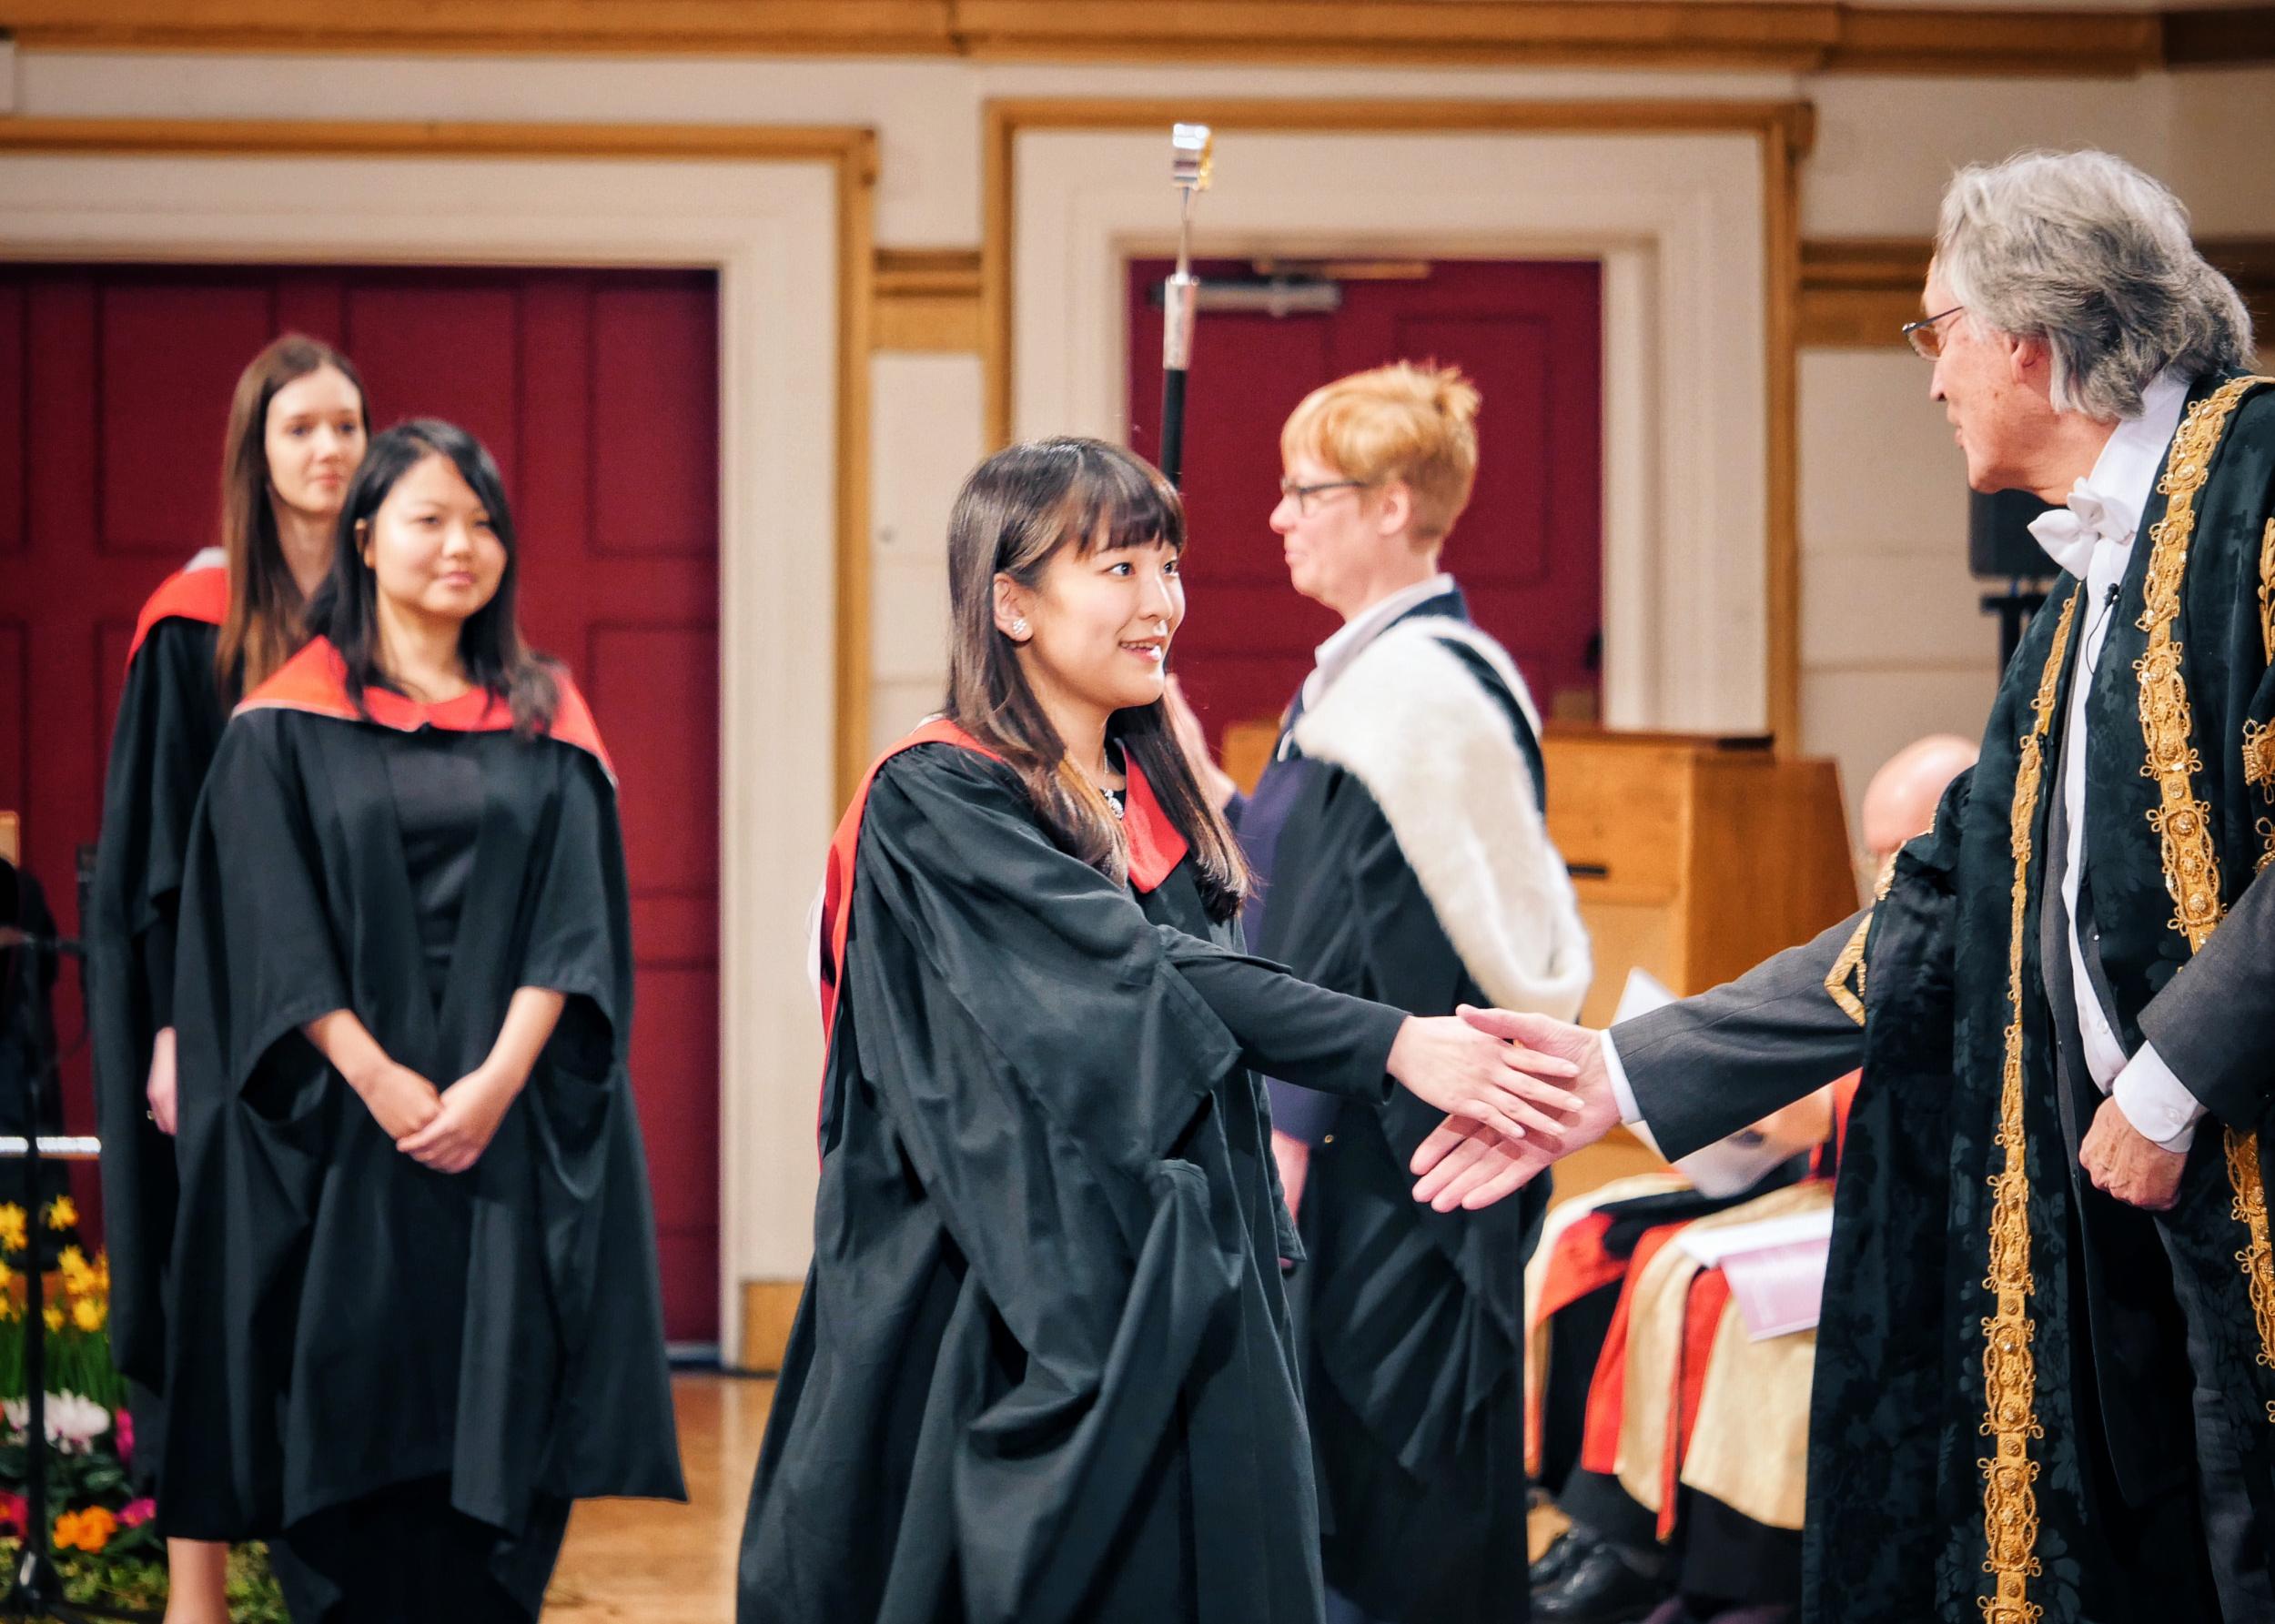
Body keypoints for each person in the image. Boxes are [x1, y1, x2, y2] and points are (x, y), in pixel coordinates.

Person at [1421, 149, 2275, 1624]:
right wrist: (1624, 1071)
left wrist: (2168, 1078)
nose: (1932, 376)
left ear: (2032, 338)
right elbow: (1934, 916)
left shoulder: (2256, 490)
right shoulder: (2089, 594)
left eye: (1937, 329)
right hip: (2100, 1217)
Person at [737, 437, 1584, 1624]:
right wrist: (1396, 1042)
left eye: (1168, 564)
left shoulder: (1144, 789)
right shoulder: (938, 795)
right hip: (1006, 1297)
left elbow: (1221, 979)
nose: (1161, 603)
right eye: (1119, 569)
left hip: (1179, 1269)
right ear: (1012, 603)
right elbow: (1134, 974)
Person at [159, 419, 684, 1621]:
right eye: (431, 518)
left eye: (483, 521)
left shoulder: (547, 717)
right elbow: (267, 921)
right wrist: (372, 1071)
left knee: (493, 1467)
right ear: (366, 537)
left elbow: (575, 921)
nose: (463, 545)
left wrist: (494, 1082)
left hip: (502, 1136)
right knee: (351, 1454)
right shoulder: (282, 724)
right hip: (347, 1141)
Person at [1170, 360, 1590, 1624]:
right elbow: (1310, 895)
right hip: (1355, 1133)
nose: (1280, 518)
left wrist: (1286, 1133)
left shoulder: (1422, 692)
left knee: (1394, 1491)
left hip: (1390, 1163)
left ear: (1396, 504)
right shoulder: (1362, 681)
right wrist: (1208, 786)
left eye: (1309, 492)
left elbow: (1367, 949)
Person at [1525, 734, 1974, 1624]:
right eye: (1872, 853)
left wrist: (1819, 1107)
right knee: (1589, 1230)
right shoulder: (1885, 934)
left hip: (1914, 1200)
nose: (1887, 873)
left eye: (1904, 850)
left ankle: (1708, 1569)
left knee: (1689, 1278)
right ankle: (1596, 1522)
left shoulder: (1986, 921)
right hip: (1812, 1172)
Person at [87, 333, 367, 1623]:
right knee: (214, 1300)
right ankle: (195, 1601)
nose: (328, 451)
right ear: (256, 456)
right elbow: (150, 855)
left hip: (355, 1015)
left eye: (348, 427)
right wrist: (164, 1029)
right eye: (301, 429)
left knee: (337, 1302)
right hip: (215, 1005)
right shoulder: (192, 621)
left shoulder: (389, 623)